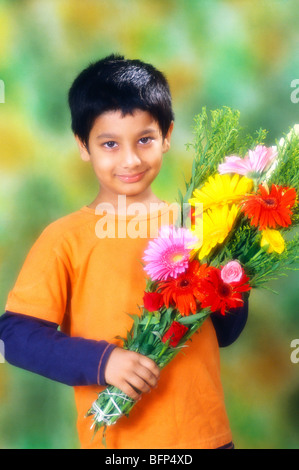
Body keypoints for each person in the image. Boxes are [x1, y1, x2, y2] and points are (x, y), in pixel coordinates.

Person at [0, 54, 248, 449]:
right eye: (110, 143)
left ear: (167, 135)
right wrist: (104, 362)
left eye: (145, 140)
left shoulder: (199, 224)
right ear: (84, 145)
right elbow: (16, 337)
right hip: (118, 447)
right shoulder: (66, 238)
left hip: (207, 437)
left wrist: (237, 269)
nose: (130, 159)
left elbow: (225, 333)